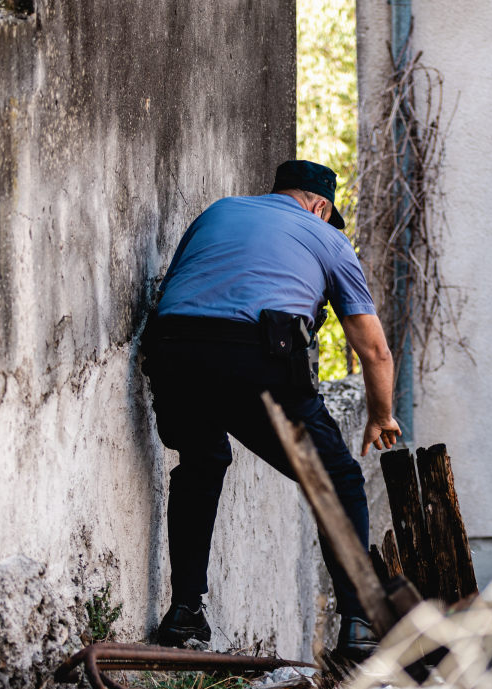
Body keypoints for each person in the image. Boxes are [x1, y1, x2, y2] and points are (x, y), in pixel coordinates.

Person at [140, 160, 401, 660]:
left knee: (202, 462)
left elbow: (183, 289)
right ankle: (359, 623)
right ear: (321, 205)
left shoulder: (219, 211)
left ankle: (184, 612)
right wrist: (379, 414)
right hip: (255, 359)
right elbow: (374, 350)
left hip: (173, 352)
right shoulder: (328, 238)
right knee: (338, 478)